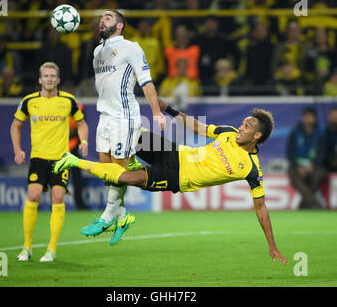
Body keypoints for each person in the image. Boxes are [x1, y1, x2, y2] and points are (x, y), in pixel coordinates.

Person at [53, 98, 289, 265]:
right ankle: (120, 213)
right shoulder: (227, 131)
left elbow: (261, 208)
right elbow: (199, 127)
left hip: (176, 177)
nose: (241, 127)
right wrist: (170, 111)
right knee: (128, 134)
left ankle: (73, 161)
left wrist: (272, 244)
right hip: (175, 152)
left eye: (247, 126)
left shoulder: (251, 169)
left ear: (257, 136)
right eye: (243, 122)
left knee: (125, 177)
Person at [79, 10, 165, 246]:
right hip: (104, 116)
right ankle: (122, 214)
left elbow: (146, 81)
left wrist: (156, 112)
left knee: (119, 170)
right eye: (101, 18)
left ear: (120, 26)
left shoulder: (131, 47)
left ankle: (107, 216)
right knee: (107, 170)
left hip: (124, 116)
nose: (102, 20)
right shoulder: (97, 51)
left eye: (108, 17)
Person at [10, 62, 89, 262]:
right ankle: (27, 246)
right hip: (38, 158)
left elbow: (81, 123)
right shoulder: (29, 101)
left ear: (58, 80)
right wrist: (17, 150)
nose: (49, 79)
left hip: (61, 159)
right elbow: (15, 126)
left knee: (58, 197)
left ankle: (51, 249)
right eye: (46, 76)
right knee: (34, 196)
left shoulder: (68, 101)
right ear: (39, 79)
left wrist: (84, 141)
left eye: (53, 76)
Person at [286, 106, 324, 209]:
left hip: (314, 166)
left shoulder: (321, 134)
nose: (308, 119)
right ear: (302, 117)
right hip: (298, 166)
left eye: (310, 116)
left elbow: (322, 152)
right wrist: (298, 167)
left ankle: (305, 203)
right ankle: (314, 202)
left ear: (314, 118)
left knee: (320, 173)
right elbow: (290, 153)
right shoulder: (295, 132)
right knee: (293, 174)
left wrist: (314, 165)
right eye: (306, 116)